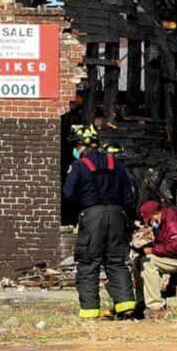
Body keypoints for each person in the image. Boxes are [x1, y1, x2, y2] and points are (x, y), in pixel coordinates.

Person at [62, 125, 135, 320]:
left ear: (83, 145)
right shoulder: (117, 164)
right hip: (117, 215)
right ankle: (126, 306)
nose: (75, 149)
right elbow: (129, 195)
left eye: (76, 145)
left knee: (88, 262)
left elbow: (67, 194)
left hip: (92, 216)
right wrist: (129, 221)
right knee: (117, 262)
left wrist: (83, 207)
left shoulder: (78, 166)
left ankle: (90, 311)